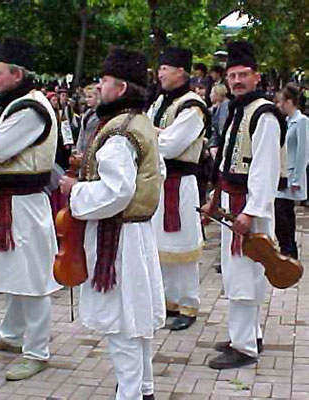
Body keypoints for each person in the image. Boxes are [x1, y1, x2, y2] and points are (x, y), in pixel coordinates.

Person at [59, 47, 165, 400]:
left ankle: (131, 395)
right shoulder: (139, 122)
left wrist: (75, 191)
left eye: (103, 81)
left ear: (119, 88)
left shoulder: (119, 132)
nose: (98, 86)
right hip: (133, 233)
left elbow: (117, 192)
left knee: (123, 325)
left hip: (119, 237)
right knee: (136, 323)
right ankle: (144, 389)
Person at [0, 37, 60, 381]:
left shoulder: (30, 110)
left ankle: (37, 350)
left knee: (32, 277)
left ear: (17, 74)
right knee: (13, 272)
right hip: (6, 201)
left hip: (24, 203)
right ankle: (11, 335)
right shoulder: (13, 104)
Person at [203, 41, 286, 369]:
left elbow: (265, 169)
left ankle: (245, 347)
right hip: (232, 203)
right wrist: (214, 199)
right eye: (232, 76)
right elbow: (227, 162)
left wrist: (251, 212)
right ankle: (249, 334)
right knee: (241, 276)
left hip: (249, 209)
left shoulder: (264, 115)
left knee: (243, 277)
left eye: (243, 75)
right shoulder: (239, 109)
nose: (236, 81)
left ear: (257, 77)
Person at [148, 47, 210, 331]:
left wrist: (152, 136)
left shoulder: (192, 106)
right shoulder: (160, 101)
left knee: (183, 243)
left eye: (164, 68)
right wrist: (157, 135)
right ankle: (168, 300)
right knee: (160, 242)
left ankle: (188, 302)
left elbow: (171, 145)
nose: (159, 73)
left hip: (182, 183)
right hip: (158, 182)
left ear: (180, 71)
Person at [275, 84, 308, 259]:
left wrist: (296, 179)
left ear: (290, 102)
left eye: (282, 102)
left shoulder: (301, 121)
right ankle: (288, 247)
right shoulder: (287, 121)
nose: (279, 106)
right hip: (283, 174)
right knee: (284, 213)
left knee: (282, 212)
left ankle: (288, 247)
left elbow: (303, 152)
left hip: (291, 175)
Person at [76, 83, 100, 156]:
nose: (87, 100)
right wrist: (79, 150)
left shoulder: (100, 115)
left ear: (97, 97)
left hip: (93, 151)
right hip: (83, 150)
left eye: (90, 97)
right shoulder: (87, 113)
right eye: (86, 97)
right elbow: (81, 133)